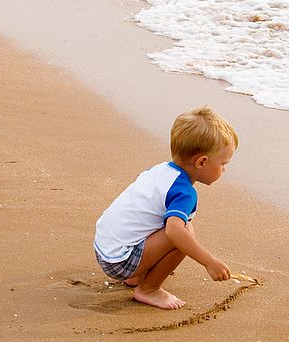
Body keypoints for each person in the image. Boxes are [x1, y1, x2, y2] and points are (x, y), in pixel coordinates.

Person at [93, 106, 237, 309]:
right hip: (119, 261)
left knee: (172, 225)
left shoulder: (160, 171)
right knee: (184, 232)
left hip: (105, 247)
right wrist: (209, 262)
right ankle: (149, 289)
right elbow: (174, 231)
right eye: (223, 163)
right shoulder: (184, 192)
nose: (224, 169)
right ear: (202, 162)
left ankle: (137, 276)